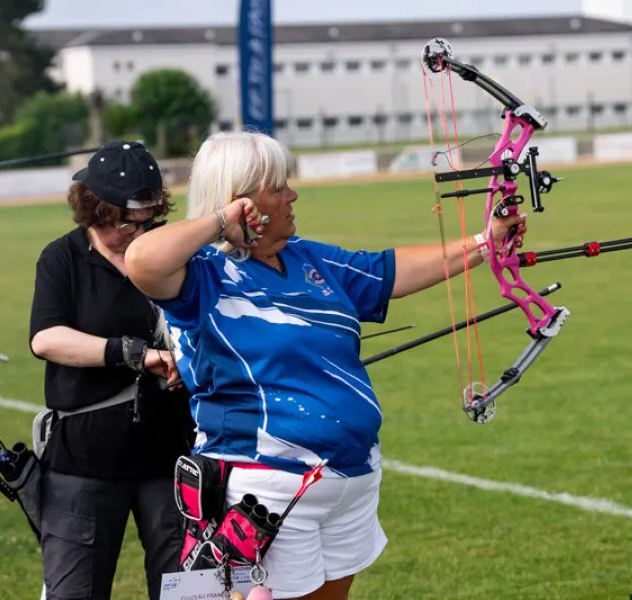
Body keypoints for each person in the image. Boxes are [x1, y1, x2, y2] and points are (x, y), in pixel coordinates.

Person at [123, 130, 526, 600]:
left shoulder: (308, 258)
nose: (292, 195)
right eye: (278, 186)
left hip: (348, 478)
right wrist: (220, 222)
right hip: (267, 493)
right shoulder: (203, 275)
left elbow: (387, 273)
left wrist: (487, 241)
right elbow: (141, 261)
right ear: (243, 202)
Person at [29, 140, 196, 600]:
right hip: (81, 467)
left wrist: (191, 362)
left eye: (149, 220)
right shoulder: (62, 259)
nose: (138, 232)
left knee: (186, 592)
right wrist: (135, 354)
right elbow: (46, 338)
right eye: (125, 221)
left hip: (170, 460)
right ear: (93, 210)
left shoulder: (171, 256)